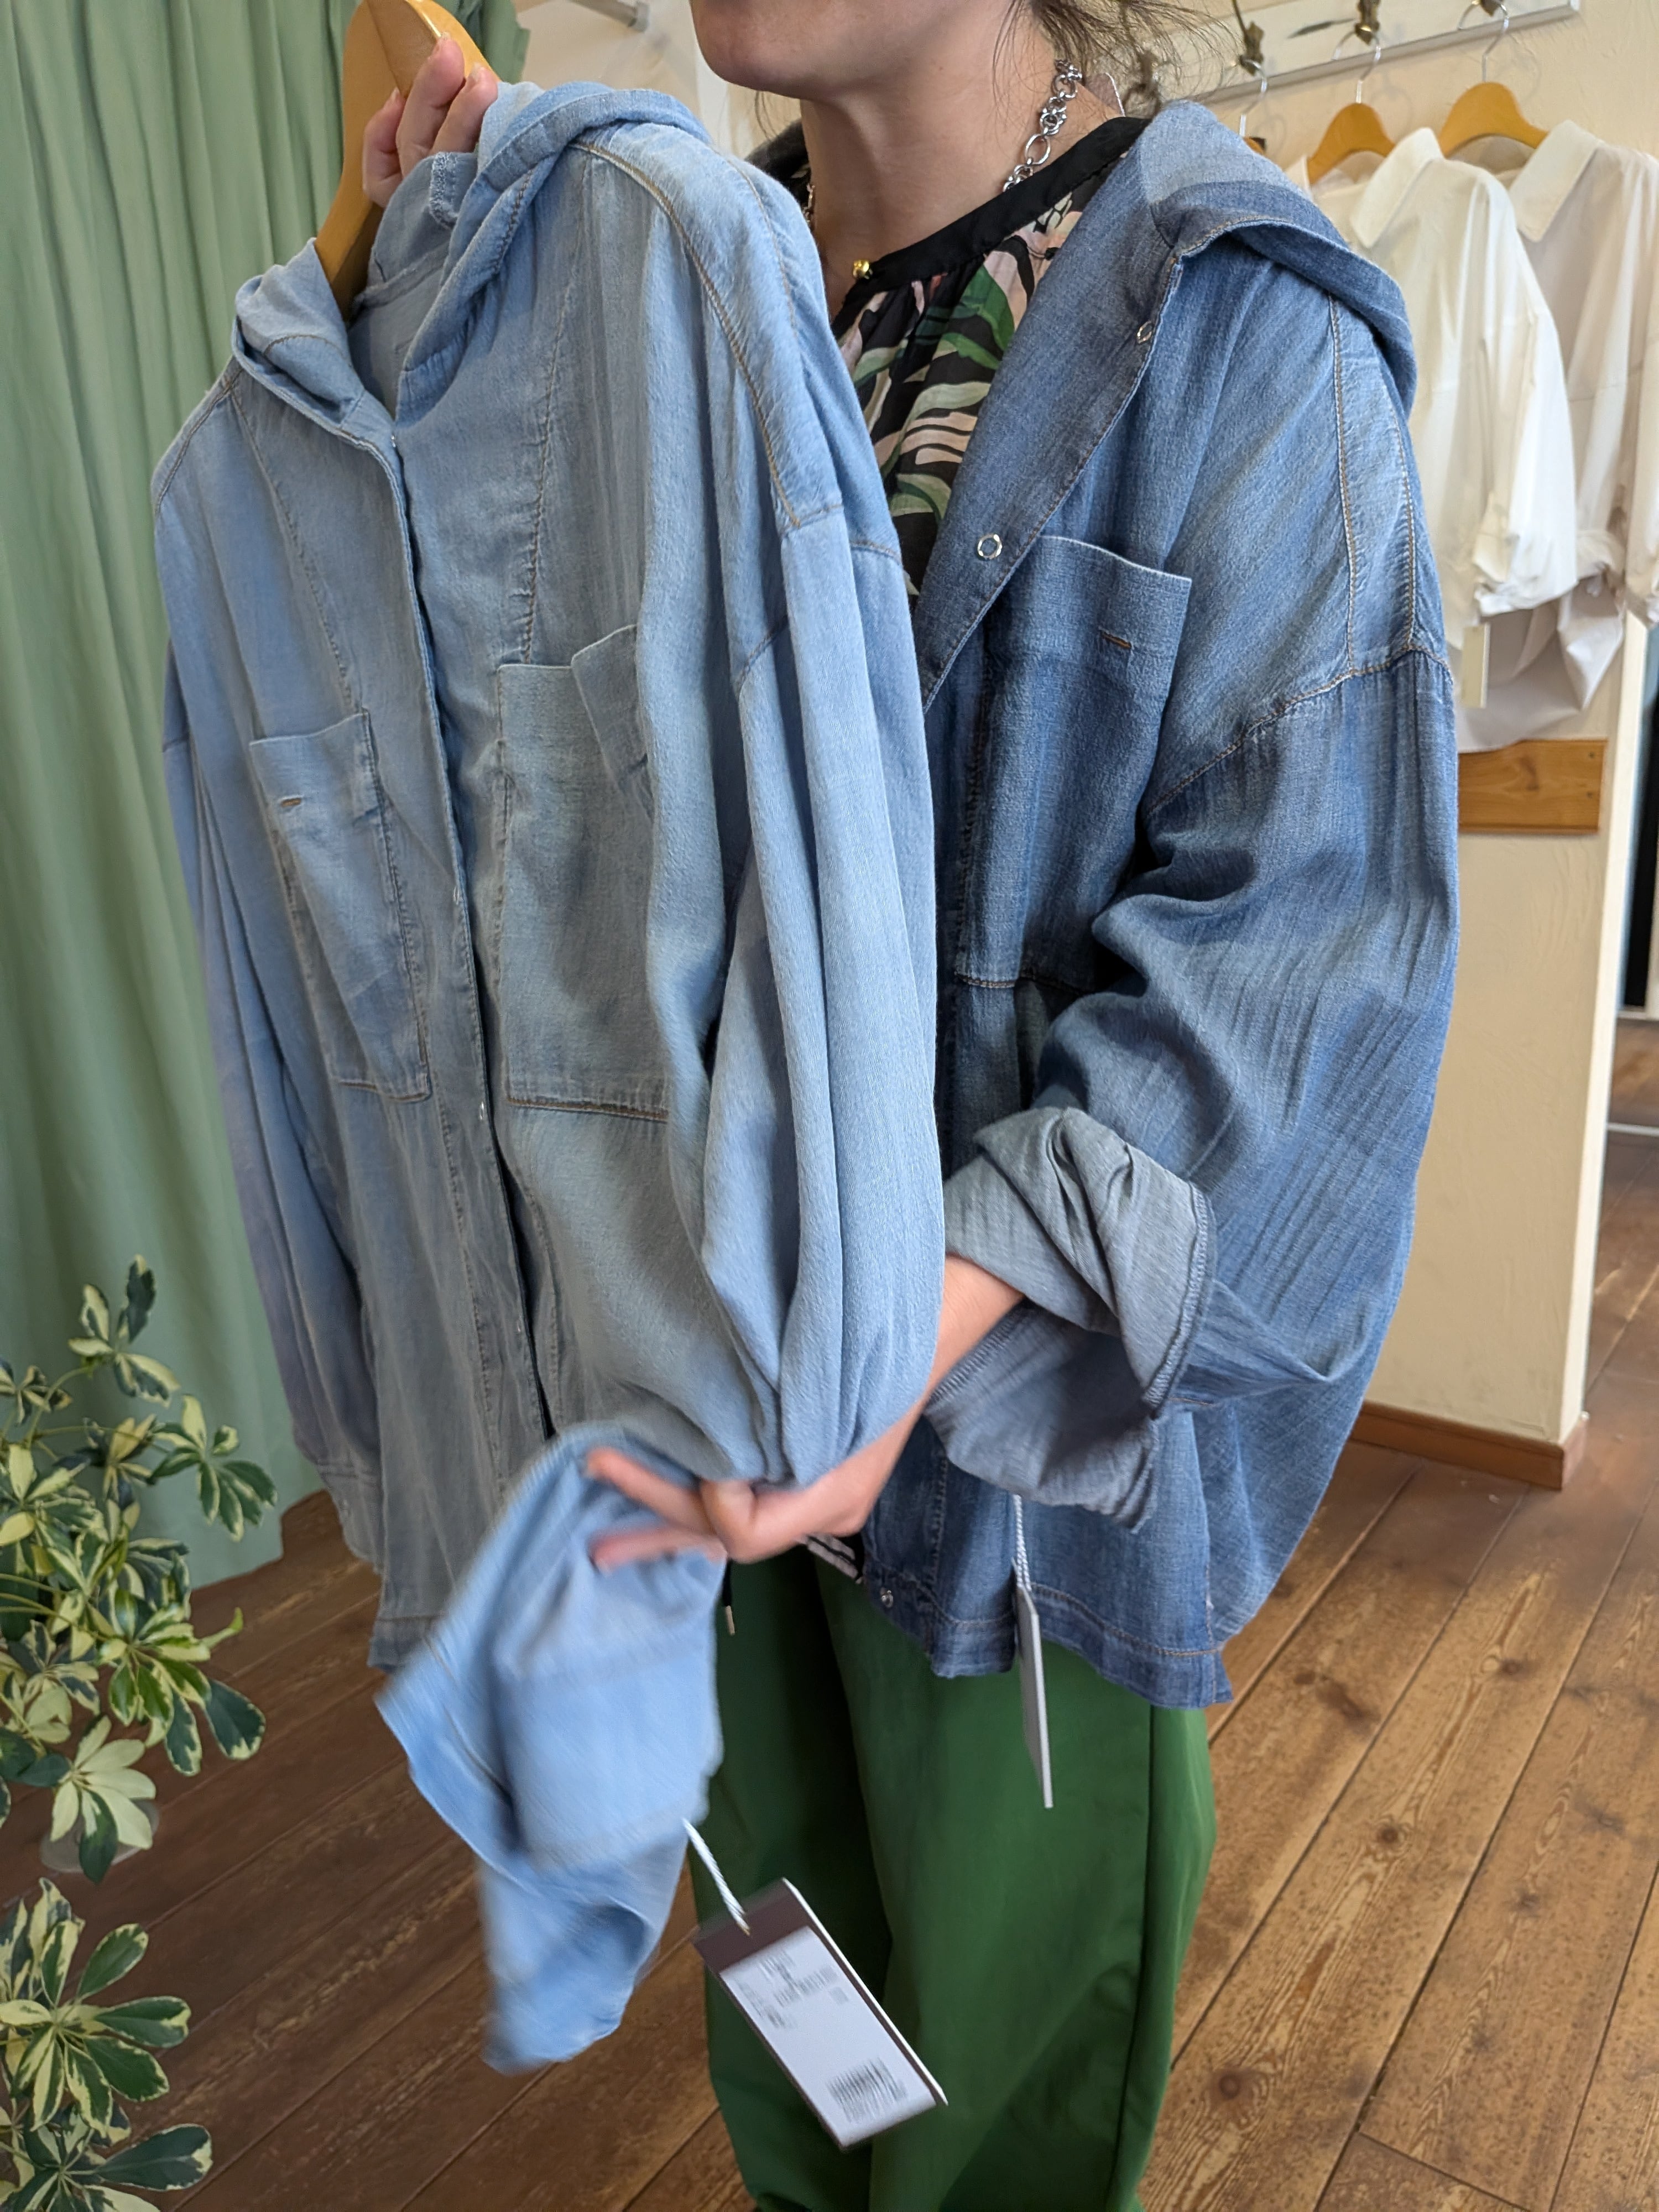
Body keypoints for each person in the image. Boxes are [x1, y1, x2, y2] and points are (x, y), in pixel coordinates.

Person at [363, 6, 1457, 2207]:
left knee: (996, 2139)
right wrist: (455, 346)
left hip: (1018, 1510)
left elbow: (1305, 962)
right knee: (796, 2049)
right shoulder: (657, 299)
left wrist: (892, 1347)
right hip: (691, 1439)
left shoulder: (1242, 340)